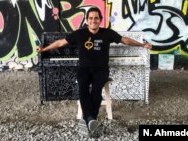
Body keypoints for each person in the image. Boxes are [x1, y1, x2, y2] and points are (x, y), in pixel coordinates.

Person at [37, 7, 152, 136]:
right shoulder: (80, 33)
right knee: (82, 89)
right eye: (90, 18)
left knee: (97, 90)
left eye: (96, 18)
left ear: (100, 20)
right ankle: (91, 119)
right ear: (86, 20)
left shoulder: (107, 33)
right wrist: (44, 49)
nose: (93, 21)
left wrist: (142, 45)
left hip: (101, 70)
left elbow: (125, 40)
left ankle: (86, 119)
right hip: (84, 69)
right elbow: (60, 43)